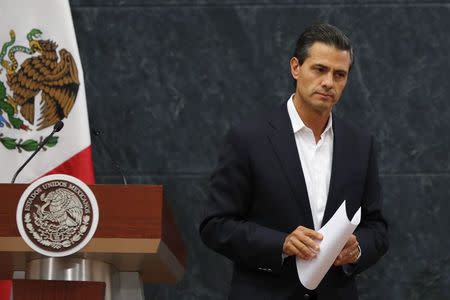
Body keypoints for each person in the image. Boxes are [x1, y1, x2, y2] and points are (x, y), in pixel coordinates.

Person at [199, 23, 388, 300]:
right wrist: (281, 243)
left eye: (339, 74)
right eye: (320, 69)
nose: (328, 82)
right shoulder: (249, 138)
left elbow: (378, 227)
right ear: (296, 68)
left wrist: (357, 248)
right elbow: (214, 225)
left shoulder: (361, 145)